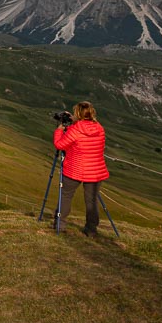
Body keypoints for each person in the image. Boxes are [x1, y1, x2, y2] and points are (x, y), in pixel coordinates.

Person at [52, 101, 110, 236]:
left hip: (75, 169)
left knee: (66, 196)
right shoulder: (99, 128)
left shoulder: (75, 130)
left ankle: (60, 225)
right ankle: (91, 230)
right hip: (95, 171)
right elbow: (86, 129)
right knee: (92, 200)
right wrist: (74, 119)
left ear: (78, 114)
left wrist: (59, 130)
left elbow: (60, 145)